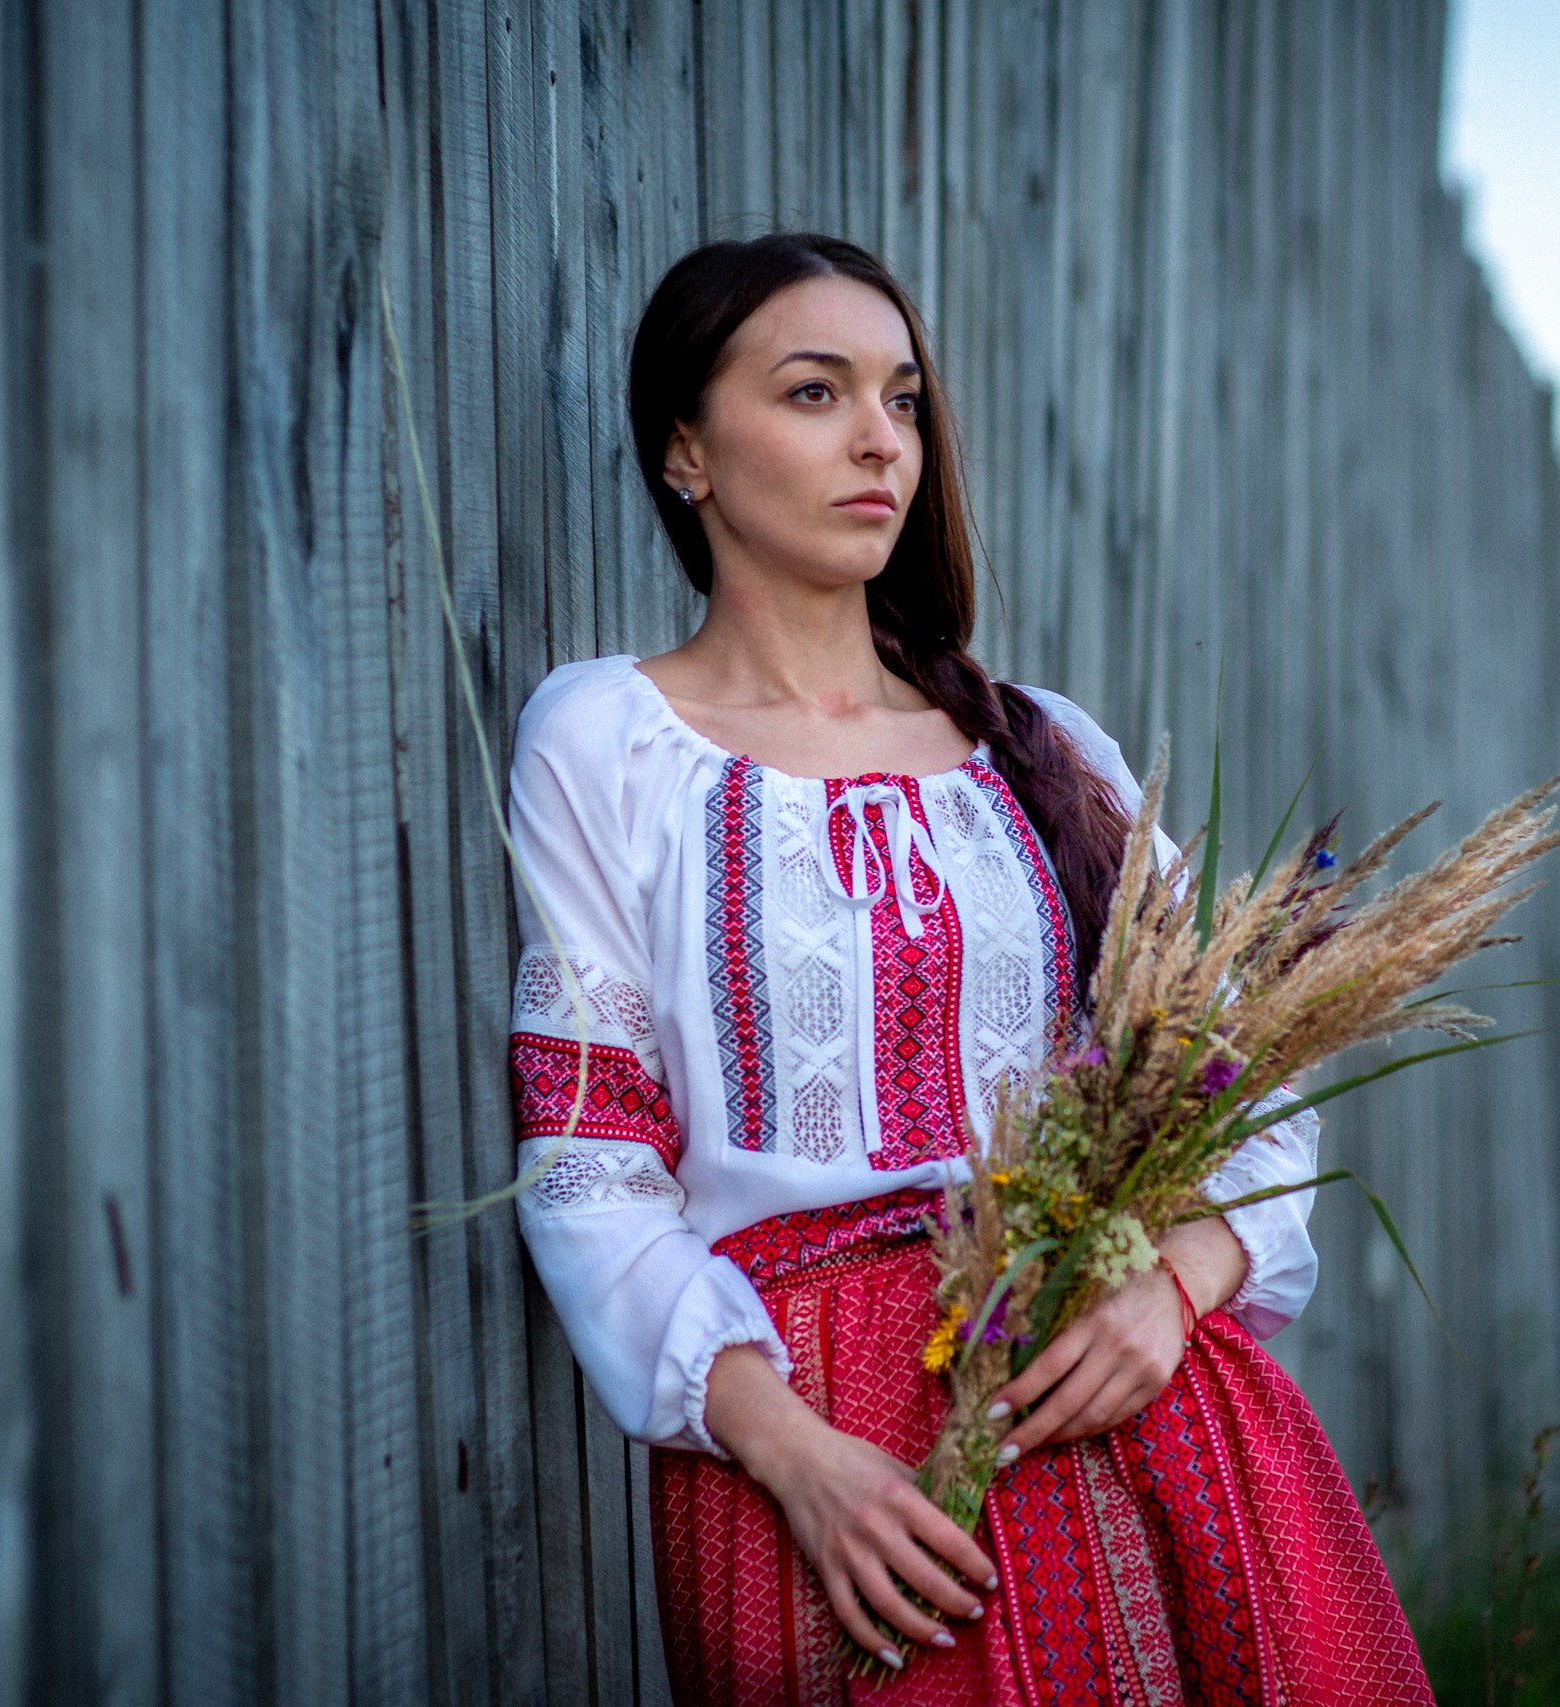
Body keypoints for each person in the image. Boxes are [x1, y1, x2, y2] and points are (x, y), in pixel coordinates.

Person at [505, 232, 1430, 1705]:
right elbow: (589, 1163)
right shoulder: (606, 743)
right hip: (823, 1455)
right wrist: (798, 1459)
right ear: (685, 450)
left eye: (905, 399)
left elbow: (1245, 1066)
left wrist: (1177, 1288)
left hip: (1139, 1406)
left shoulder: (1038, 746)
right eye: (816, 394)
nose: (882, 439)